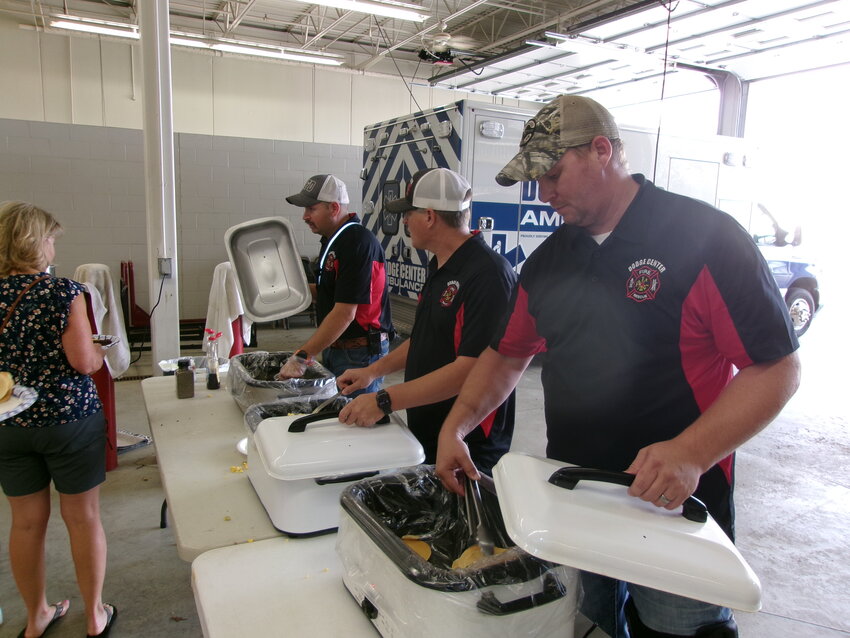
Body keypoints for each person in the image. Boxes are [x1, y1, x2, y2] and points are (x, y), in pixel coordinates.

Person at [434, 96, 800, 638]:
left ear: (602, 150)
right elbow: (507, 353)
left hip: (674, 509)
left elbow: (777, 368)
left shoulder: (705, 240)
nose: (544, 193)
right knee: (594, 625)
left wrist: (691, 453)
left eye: (553, 174)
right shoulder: (551, 260)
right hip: (577, 503)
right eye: (535, 180)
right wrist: (457, 424)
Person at [336, 168, 517, 473]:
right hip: (431, 430)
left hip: (468, 443)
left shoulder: (488, 275)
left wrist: (384, 400)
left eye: (408, 213)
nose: (404, 221)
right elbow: (425, 339)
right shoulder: (441, 266)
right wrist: (373, 371)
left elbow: (472, 371)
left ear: (430, 216)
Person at [0, 202, 117, 638]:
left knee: (26, 523)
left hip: (9, 423)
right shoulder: (63, 293)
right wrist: (101, 348)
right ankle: (93, 615)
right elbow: (84, 362)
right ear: (35, 242)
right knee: (83, 518)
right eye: (50, 239)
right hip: (68, 419)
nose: (53, 247)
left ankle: (36, 617)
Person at [276, 174, 393, 395]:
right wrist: (289, 291)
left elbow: (345, 313)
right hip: (336, 348)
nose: (305, 216)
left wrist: (303, 356)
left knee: (354, 419)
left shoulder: (356, 242)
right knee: (337, 416)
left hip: (359, 355)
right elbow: (330, 294)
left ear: (334, 207)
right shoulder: (335, 240)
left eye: (311, 209)